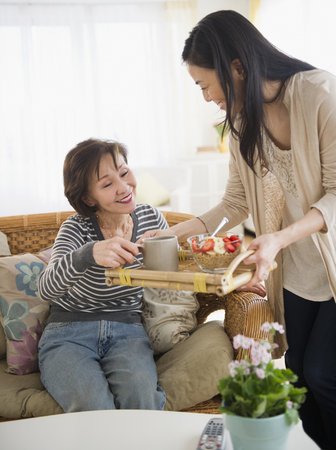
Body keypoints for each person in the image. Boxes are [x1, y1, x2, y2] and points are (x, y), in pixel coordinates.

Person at [139, 10, 336, 450]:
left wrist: (279, 238)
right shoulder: (244, 120)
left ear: (236, 67)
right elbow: (233, 203)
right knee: (300, 377)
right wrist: (168, 234)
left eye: (204, 85)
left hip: (332, 262)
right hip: (299, 271)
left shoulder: (319, 93)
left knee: (325, 374)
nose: (207, 97)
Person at [37, 138, 166, 413]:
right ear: (88, 198)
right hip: (68, 333)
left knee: (142, 402)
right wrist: (88, 254)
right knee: (93, 408)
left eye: (123, 172)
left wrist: (234, 278)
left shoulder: (153, 219)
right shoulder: (76, 228)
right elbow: (45, 289)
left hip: (128, 332)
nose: (124, 187)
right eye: (107, 184)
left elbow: (180, 268)